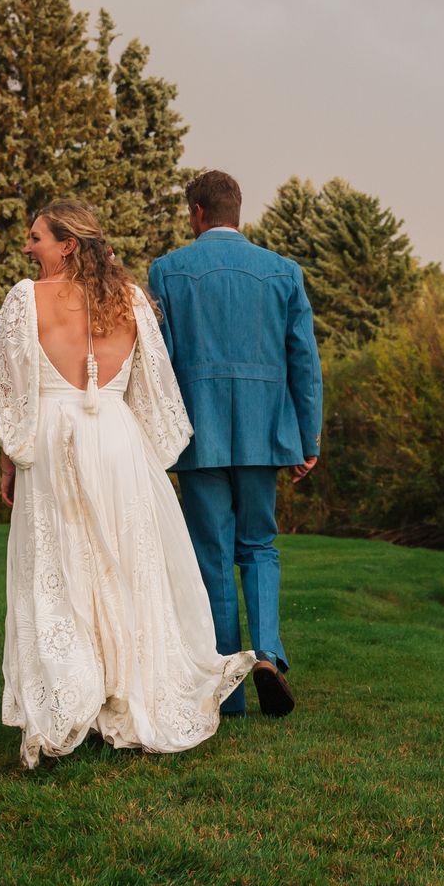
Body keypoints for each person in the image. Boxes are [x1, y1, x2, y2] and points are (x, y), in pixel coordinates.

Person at [0, 198, 254, 768]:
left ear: (68, 245)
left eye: (36, 238)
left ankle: (65, 705)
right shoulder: (130, 300)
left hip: (53, 443)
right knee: (124, 569)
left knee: (57, 570)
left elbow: (8, 391)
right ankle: (125, 697)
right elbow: (156, 396)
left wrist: (11, 457)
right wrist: (137, 454)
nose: (27, 246)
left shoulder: (22, 301)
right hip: (117, 439)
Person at [146, 170, 321, 718]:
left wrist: (156, 433)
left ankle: (230, 688)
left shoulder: (167, 271)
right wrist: (306, 436)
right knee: (260, 546)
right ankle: (267, 652)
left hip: (199, 436)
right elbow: (303, 360)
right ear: (236, 212)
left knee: (213, 558)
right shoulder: (283, 272)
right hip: (265, 431)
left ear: (197, 213)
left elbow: (161, 363)